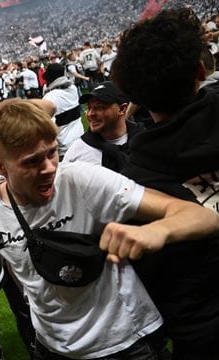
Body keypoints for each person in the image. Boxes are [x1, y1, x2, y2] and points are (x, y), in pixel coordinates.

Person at [0, 98, 219, 359]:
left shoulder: (82, 180)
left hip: (124, 342)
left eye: (52, 153)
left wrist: (155, 231)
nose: (48, 168)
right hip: (52, 347)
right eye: (31, 162)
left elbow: (202, 216)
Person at [112, 8, 219, 359]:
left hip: (201, 334)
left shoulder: (134, 181)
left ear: (135, 97)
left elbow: (154, 277)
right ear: (201, 71)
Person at [63, 81, 142, 171]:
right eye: (89, 108)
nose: (90, 114)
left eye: (99, 107)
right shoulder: (77, 151)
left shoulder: (144, 144)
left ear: (122, 109)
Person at [42, 63, 85, 160]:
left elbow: (49, 127)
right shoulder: (73, 88)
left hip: (65, 147)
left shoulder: (50, 97)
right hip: (80, 138)